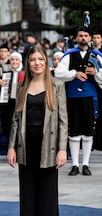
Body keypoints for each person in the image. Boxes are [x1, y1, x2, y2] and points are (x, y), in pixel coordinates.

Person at [7, 46, 68, 216]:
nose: (37, 63)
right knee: (28, 198)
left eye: (40, 59)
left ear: (47, 61)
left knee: (47, 199)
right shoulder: (22, 85)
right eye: (32, 59)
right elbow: (15, 119)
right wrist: (11, 146)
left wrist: (62, 149)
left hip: (49, 149)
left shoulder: (57, 86)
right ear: (28, 62)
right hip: (26, 149)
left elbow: (63, 121)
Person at [54, 26, 102, 176]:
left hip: (90, 97)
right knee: (73, 131)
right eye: (80, 35)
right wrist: (74, 73)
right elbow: (58, 73)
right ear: (76, 38)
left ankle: (86, 164)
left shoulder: (97, 56)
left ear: (90, 38)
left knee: (88, 132)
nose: (83, 38)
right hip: (72, 97)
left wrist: (96, 72)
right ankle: (75, 164)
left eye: (86, 35)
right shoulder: (69, 55)